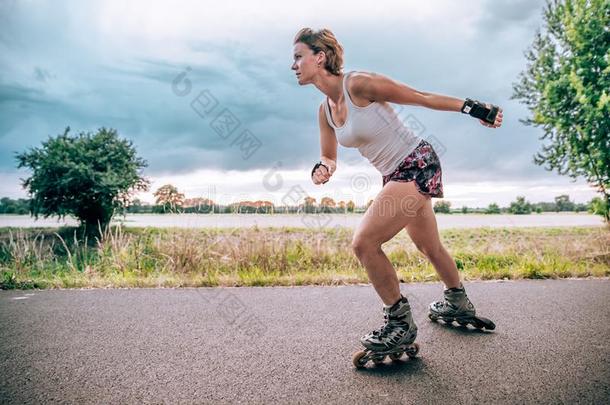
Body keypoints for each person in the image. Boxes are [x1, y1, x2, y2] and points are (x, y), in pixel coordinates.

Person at [291, 27, 503, 352]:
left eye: (298, 57)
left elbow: (420, 97)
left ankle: (399, 323)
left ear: (319, 57)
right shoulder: (325, 112)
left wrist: (475, 108)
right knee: (429, 247)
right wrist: (323, 169)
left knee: (364, 243)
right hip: (394, 174)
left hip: (417, 163)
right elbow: (329, 156)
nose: (293, 65)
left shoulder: (359, 84)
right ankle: (458, 301)